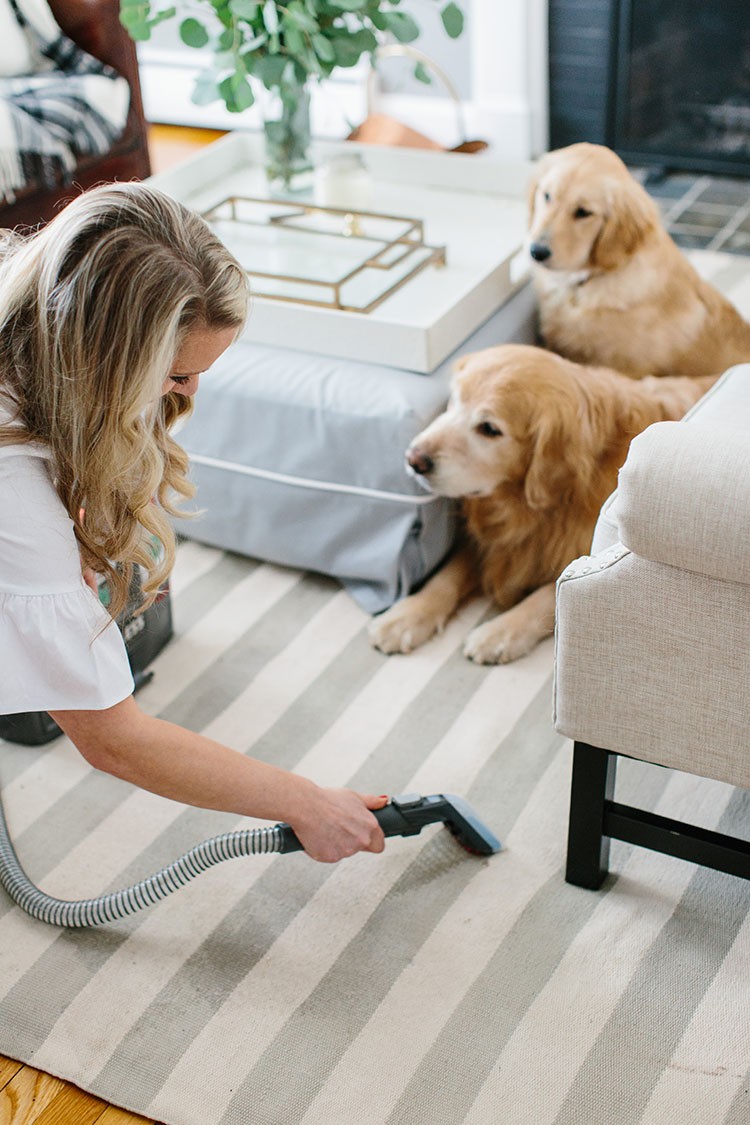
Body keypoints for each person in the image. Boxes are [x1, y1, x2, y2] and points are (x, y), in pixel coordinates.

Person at [0, 182, 386, 863]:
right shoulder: (13, 486)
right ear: (100, 356)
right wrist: (306, 801)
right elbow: (114, 739)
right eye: (175, 376)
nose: (189, 395)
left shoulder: (30, 308)